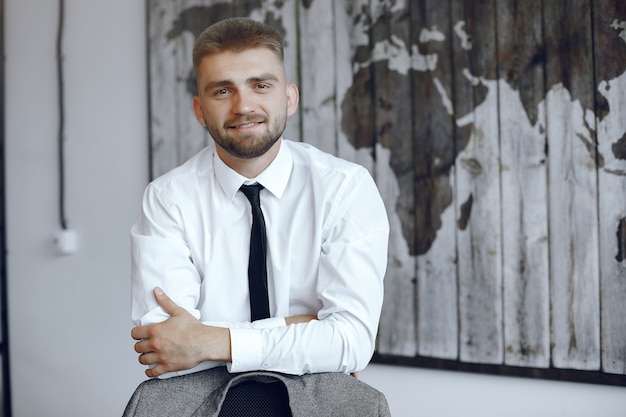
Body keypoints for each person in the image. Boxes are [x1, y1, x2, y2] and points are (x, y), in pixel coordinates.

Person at [130, 17, 389, 381]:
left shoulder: (344, 188)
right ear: (199, 110)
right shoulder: (167, 200)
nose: (243, 106)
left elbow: (352, 342)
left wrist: (209, 340)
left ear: (289, 98)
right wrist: (309, 328)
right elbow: (165, 347)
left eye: (260, 85)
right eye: (222, 91)